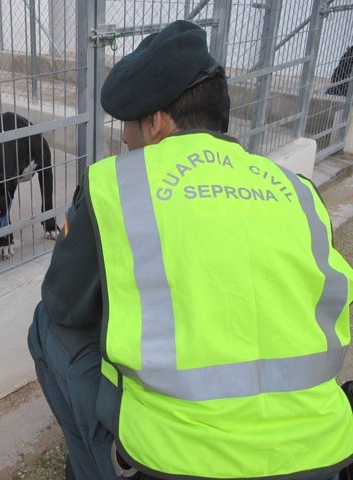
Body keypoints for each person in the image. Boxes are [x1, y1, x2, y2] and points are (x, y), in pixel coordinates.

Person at [28, 20, 353, 480]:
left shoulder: (118, 185)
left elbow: (64, 304)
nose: (125, 144)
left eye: (129, 131)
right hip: (321, 454)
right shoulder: (297, 191)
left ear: (156, 123)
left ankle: (90, 469)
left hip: (174, 464)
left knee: (45, 327)